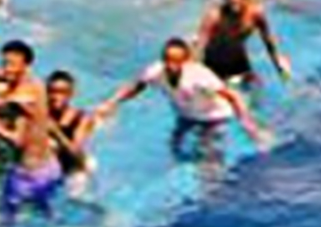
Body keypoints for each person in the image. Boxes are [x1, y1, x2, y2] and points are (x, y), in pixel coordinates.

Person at [95, 37, 272, 149]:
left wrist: (249, 124)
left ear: (185, 61)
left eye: (176, 61)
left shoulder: (200, 76)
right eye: (167, 60)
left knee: (208, 152)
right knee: (175, 147)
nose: (171, 65)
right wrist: (111, 103)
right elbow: (137, 86)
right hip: (186, 115)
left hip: (214, 117)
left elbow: (232, 96)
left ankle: (211, 183)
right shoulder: (156, 71)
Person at [0, 41, 64, 224]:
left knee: (5, 221)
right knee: (46, 213)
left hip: (30, 174)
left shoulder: (22, 98)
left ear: (26, 65)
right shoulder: (37, 84)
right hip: (51, 168)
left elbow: (17, 140)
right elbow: (8, 84)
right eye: (4, 63)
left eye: (11, 64)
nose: (6, 69)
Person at [197, 0, 291, 86]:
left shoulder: (255, 14)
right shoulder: (214, 17)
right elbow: (200, 46)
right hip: (214, 64)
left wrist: (277, 62)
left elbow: (268, 40)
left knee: (257, 86)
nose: (235, 0)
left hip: (239, 61)